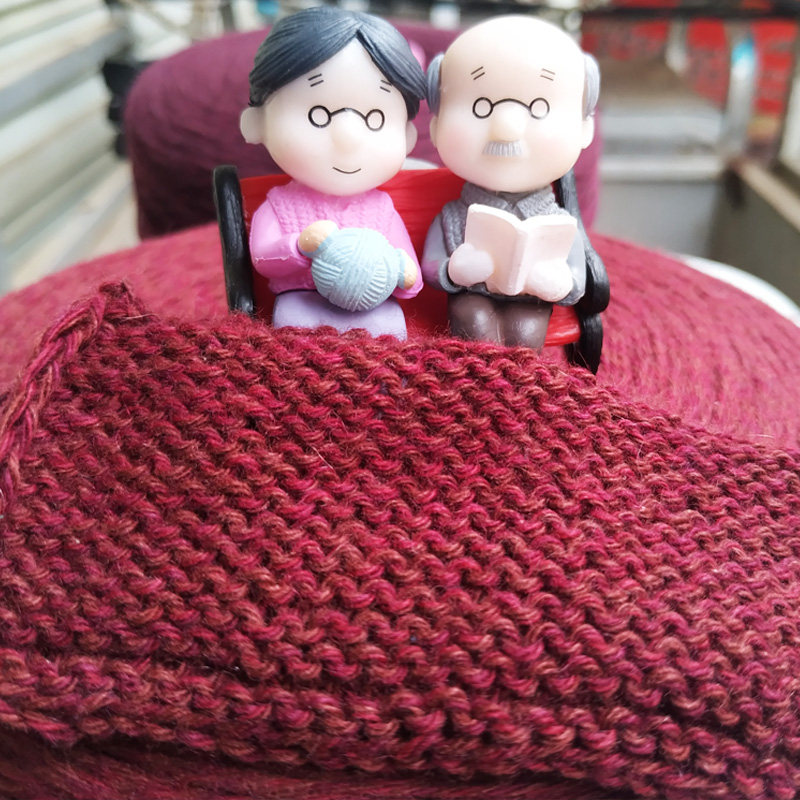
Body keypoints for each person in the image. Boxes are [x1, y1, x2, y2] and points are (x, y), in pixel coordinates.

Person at [239, 7, 426, 339]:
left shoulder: (382, 210)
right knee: (296, 328)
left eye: (375, 119)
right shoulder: (281, 205)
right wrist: (299, 245)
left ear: (408, 136)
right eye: (319, 115)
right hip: (302, 299)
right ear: (256, 123)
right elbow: (263, 258)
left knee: (389, 331)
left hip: (374, 305)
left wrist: (403, 273)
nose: (348, 137)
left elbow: (411, 278)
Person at [422, 16, 607, 351]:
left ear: (584, 129)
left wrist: (559, 282)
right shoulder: (452, 216)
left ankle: (514, 381)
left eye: (538, 107)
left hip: (530, 301)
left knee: (525, 333)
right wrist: (452, 270)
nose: (506, 127)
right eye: (482, 107)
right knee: (472, 322)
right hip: (470, 296)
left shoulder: (559, 222)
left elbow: (577, 277)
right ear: (436, 127)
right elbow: (430, 265)